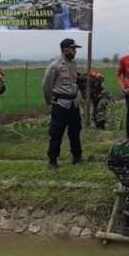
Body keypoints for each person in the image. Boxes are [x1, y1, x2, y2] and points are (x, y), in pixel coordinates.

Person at [43, 38, 83, 168]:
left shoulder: (73, 64)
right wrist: (51, 102)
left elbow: (74, 82)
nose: (75, 51)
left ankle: (77, 156)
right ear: (65, 49)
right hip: (60, 104)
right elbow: (47, 85)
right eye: (73, 49)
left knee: (75, 131)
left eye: (75, 49)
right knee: (56, 133)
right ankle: (53, 160)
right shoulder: (55, 66)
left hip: (73, 104)